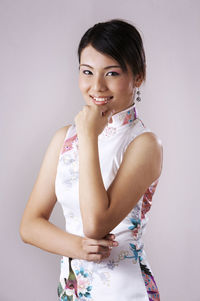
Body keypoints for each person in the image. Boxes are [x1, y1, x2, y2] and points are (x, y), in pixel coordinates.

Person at [20, 18, 163, 300]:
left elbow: (96, 224)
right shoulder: (64, 138)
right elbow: (30, 225)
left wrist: (88, 136)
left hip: (125, 291)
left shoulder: (145, 144)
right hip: (74, 291)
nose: (96, 86)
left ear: (139, 76)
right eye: (87, 72)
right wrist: (77, 248)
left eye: (111, 73)